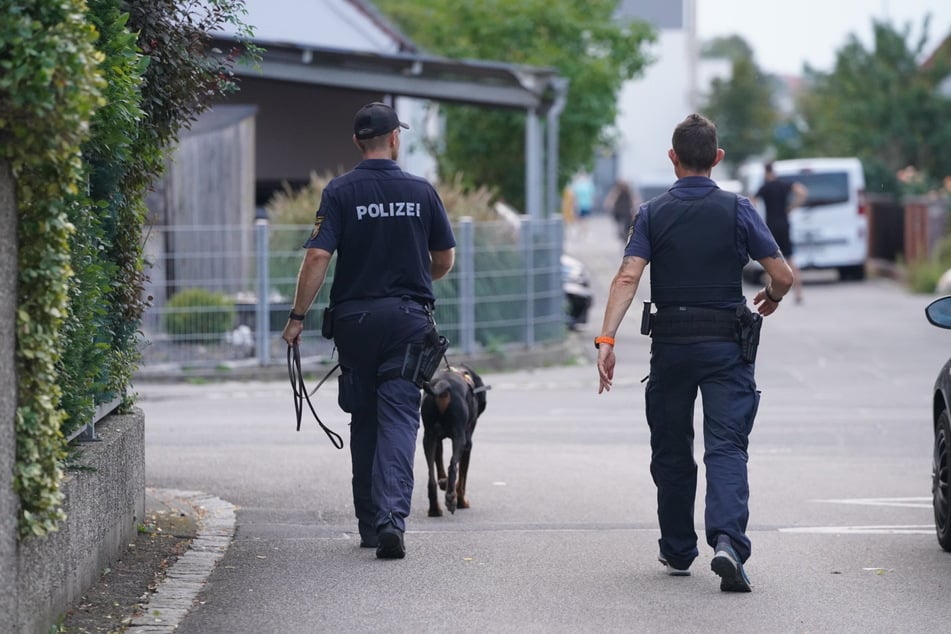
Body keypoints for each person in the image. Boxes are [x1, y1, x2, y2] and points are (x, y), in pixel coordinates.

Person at [595, 114, 793, 592]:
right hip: (728, 344)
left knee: (671, 448)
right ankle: (727, 542)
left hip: (672, 345)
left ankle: (678, 548)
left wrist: (607, 340)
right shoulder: (738, 209)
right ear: (717, 159)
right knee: (726, 447)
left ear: (672, 157)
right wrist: (772, 296)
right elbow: (782, 275)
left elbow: (627, 277)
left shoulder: (651, 213)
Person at [282, 102, 456, 560]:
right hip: (407, 320)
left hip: (355, 323)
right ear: (395, 139)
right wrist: (417, 279)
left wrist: (298, 316)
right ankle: (392, 519)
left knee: (365, 417)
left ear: (358, 142)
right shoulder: (422, 191)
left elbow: (318, 256)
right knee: (400, 415)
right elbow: (444, 259)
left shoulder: (339, 192)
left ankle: (368, 524)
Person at [754, 162, 807, 303]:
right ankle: (799, 294)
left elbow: (751, 201)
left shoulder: (764, 187)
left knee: (769, 260)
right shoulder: (784, 185)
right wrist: (792, 207)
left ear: (765, 172)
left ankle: (769, 295)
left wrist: (756, 218)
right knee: (790, 259)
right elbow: (802, 191)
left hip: (770, 227)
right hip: (784, 225)